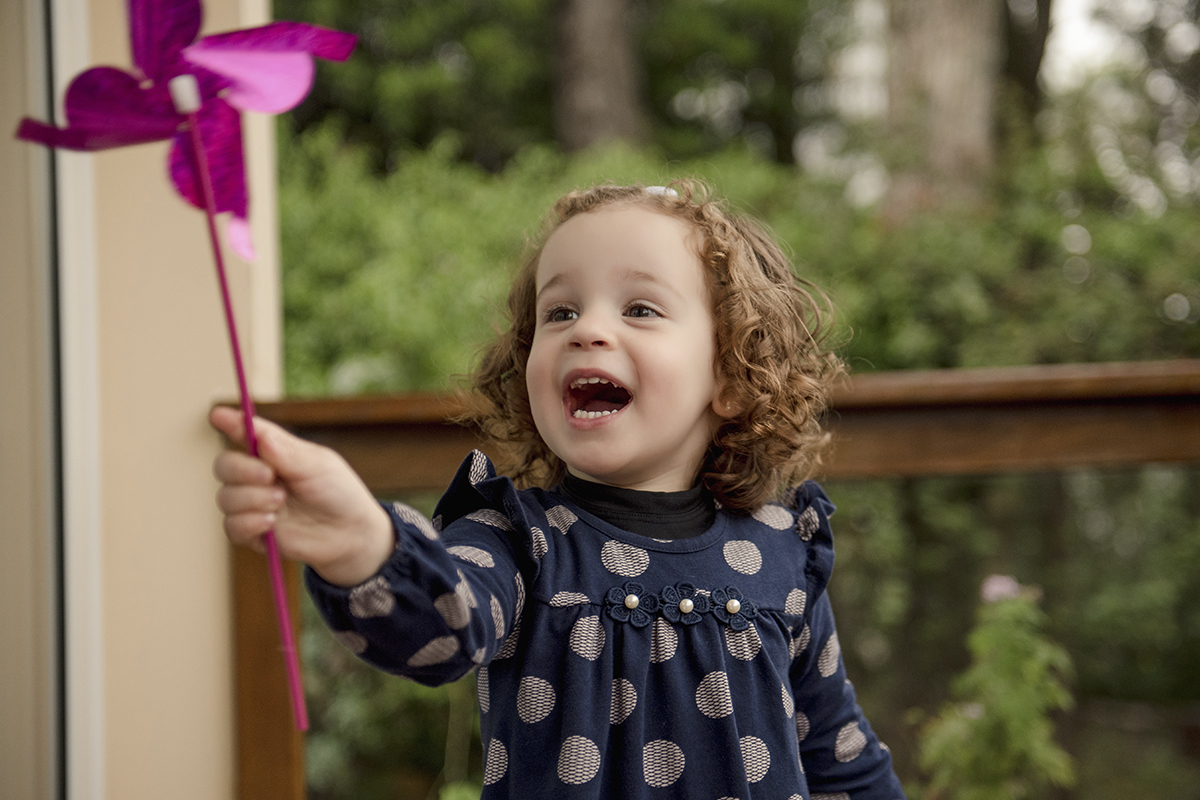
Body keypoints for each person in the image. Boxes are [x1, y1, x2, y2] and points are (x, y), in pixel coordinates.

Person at [211, 181, 907, 799]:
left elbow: (838, 755)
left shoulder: (784, 551)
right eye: (560, 312)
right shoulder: (516, 538)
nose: (589, 330)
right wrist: (363, 545)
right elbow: (443, 630)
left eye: (639, 308)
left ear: (729, 375)